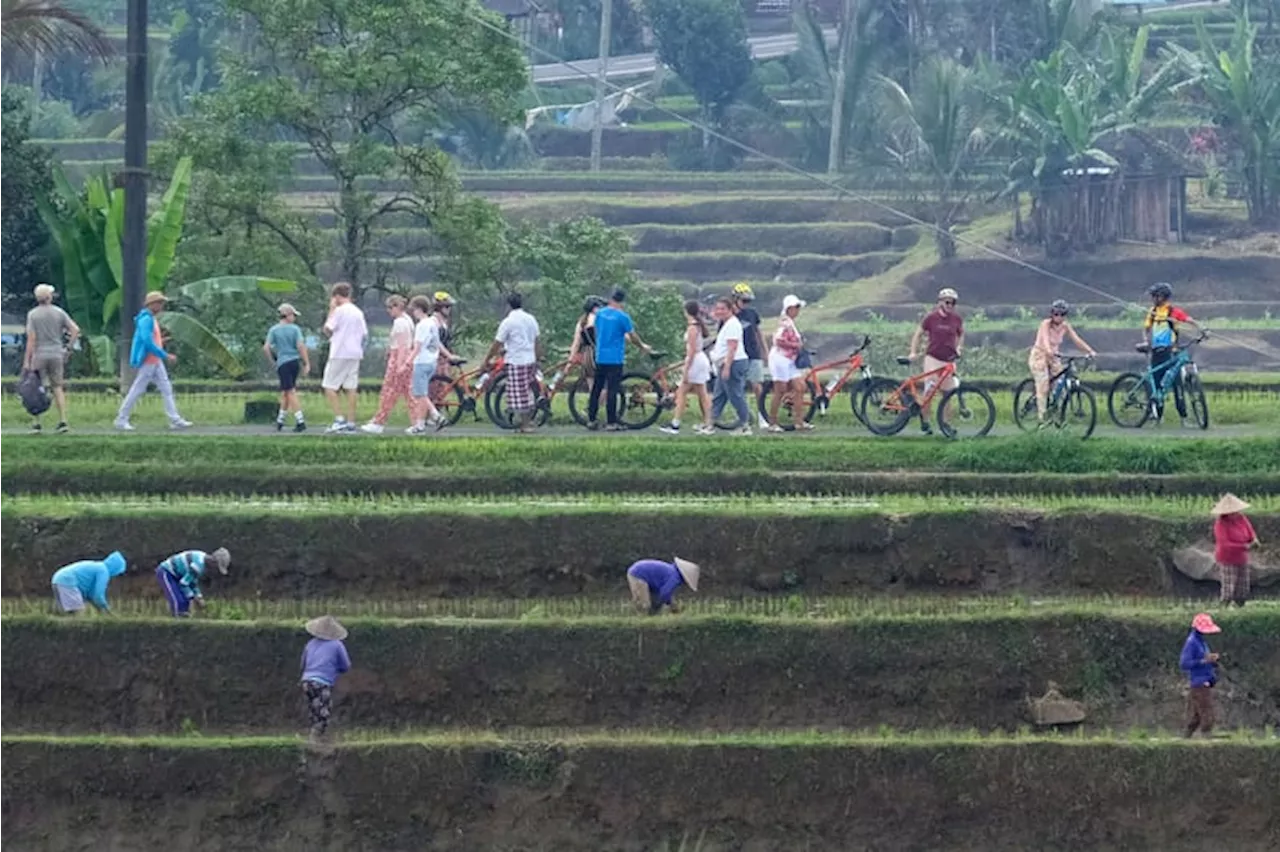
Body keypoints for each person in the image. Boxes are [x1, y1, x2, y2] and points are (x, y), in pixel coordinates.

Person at [115, 291, 192, 431]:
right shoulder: (146, 320)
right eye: (160, 303)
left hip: (154, 360)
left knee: (166, 389)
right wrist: (165, 355)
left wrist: (161, 342)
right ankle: (121, 418)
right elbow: (147, 341)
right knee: (137, 390)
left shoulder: (151, 319)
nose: (162, 306)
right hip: (149, 360)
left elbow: (151, 340)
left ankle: (174, 419)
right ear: (152, 304)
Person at [588, 289, 654, 431]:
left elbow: (596, 330)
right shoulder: (623, 317)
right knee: (612, 389)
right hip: (615, 358)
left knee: (596, 388)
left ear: (611, 298)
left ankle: (591, 419)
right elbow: (633, 335)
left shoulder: (600, 314)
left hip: (600, 356)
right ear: (622, 301)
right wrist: (642, 346)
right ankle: (611, 422)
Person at [1144, 283, 1205, 426]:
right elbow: (1146, 329)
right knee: (1158, 386)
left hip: (1170, 352)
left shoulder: (1173, 312)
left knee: (1177, 385)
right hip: (1156, 352)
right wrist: (1146, 341)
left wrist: (1201, 328)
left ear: (1162, 297)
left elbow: (1188, 319)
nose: (1153, 298)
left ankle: (1183, 418)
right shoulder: (1152, 312)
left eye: (1155, 295)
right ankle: (1158, 418)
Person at [1028, 299, 1096, 425]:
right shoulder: (1045, 324)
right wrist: (1049, 350)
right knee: (1043, 386)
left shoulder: (1065, 326)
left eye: (1062, 314)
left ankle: (1058, 414)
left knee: (1060, 385)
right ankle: (1042, 419)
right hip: (1040, 355)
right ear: (1052, 314)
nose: (1059, 317)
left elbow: (1076, 340)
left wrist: (1089, 350)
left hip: (1054, 357)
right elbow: (1045, 340)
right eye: (1056, 314)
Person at [23, 283, 80, 433]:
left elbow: (31, 339)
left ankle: (37, 423)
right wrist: (67, 348)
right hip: (56, 353)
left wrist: (27, 360)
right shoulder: (59, 312)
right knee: (57, 387)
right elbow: (75, 330)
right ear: (49, 297)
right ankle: (62, 421)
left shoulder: (33, 315)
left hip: (39, 354)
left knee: (36, 388)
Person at [908, 287, 965, 435]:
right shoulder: (931, 318)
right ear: (940, 302)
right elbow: (918, 334)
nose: (950, 306)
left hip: (948, 360)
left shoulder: (956, 319)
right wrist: (913, 351)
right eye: (947, 302)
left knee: (948, 394)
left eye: (953, 303)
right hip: (933, 358)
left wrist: (959, 347)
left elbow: (961, 334)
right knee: (930, 391)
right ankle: (925, 421)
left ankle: (946, 425)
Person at [483, 293, 542, 433]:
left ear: (508, 305)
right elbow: (537, 341)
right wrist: (538, 357)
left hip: (517, 361)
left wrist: (486, 359)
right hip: (530, 359)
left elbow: (497, 343)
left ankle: (526, 424)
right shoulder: (531, 319)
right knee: (526, 391)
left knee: (519, 394)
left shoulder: (508, 322)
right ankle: (526, 422)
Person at [362, 295, 415, 434]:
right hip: (405, 357)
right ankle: (417, 422)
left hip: (399, 357)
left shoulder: (400, 323)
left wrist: (399, 364)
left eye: (390, 307)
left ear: (397, 307)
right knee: (409, 392)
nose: (388, 311)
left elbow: (402, 345)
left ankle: (379, 421)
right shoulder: (408, 320)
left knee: (389, 391)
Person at [661, 300, 714, 435]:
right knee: (702, 393)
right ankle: (708, 423)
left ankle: (676, 423)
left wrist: (686, 370)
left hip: (695, 361)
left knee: (683, 392)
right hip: (700, 359)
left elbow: (690, 351)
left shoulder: (692, 328)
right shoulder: (697, 326)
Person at [321, 282, 368, 433]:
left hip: (339, 352)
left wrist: (331, 309)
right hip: (355, 353)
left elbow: (328, 329)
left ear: (336, 296)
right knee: (351, 387)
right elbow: (364, 334)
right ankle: (351, 422)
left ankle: (339, 418)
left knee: (329, 386)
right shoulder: (358, 312)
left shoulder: (339, 311)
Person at [407, 295, 454, 434]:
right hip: (432, 361)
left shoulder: (422, 325)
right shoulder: (433, 323)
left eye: (413, 310)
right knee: (424, 393)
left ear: (418, 309)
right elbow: (437, 343)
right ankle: (420, 424)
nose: (413, 313)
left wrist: (407, 361)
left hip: (421, 361)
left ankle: (436, 416)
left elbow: (418, 346)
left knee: (420, 394)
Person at [301, 615, 351, 742]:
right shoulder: (337, 645)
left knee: (314, 710)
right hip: (321, 683)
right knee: (324, 712)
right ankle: (316, 740)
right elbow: (346, 665)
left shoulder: (310, 643)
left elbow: (303, 663)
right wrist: (336, 671)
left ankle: (315, 737)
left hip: (306, 682)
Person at [766, 294, 812, 433]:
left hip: (789, 360)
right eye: (796, 307)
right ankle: (772, 422)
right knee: (780, 390)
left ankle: (799, 421)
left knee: (800, 387)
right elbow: (778, 340)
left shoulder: (790, 322)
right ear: (789, 308)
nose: (798, 310)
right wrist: (795, 345)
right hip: (780, 359)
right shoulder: (785, 322)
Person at [263, 303, 310, 432]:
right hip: (294, 362)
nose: (294, 318)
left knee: (289, 391)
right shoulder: (295, 329)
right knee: (286, 392)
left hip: (283, 363)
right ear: (287, 315)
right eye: (293, 315)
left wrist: (273, 361)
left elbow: (266, 347)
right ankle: (280, 420)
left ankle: (300, 421)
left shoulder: (274, 330)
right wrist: (306, 362)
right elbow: (300, 346)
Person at [709, 296, 751, 435]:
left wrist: (727, 367)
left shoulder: (733, 324)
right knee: (719, 395)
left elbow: (732, 348)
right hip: (724, 363)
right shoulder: (726, 324)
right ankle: (710, 424)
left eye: (723, 309)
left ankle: (745, 424)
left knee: (735, 395)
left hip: (733, 363)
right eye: (717, 309)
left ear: (730, 310)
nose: (719, 311)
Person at [731, 283, 769, 430]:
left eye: (748, 301)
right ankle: (742, 416)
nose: (746, 304)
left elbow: (759, 333)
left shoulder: (752, 314)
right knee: (738, 388)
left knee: (756, 385)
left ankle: (762, 415)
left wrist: (765, 351)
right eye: (743, 301)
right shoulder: (729, 315)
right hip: (737, 356)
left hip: (753, 353)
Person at [1180, 612, 1222, 738]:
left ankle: (1186, 738)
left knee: (1196, 716)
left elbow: (1204, 659)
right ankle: (1206, 739)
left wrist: (1212, 660)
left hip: (1204, 681)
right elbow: (1184, 664)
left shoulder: (1201, 642)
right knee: (1206, 713)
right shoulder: (1192, 642)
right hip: (1199, 683)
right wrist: (1204, 661)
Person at [156, 548, 231, 618]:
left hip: (178, 576)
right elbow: (183, 584)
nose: (216, 570)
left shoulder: (203, 565)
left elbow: (192, 582)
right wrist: (194, 598)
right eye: (217, 567)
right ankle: (176, 626)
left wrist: (199, 597)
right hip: (166, 572)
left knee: (185, 602)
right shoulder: (199, 565)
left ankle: (183, 624)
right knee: (178, 601)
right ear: (214, 562)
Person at [1213, 493, 1259, 607]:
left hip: (1242, 557)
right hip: (1227, 558)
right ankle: (1224, 608)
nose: (1236, 513)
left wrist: (1254, 539)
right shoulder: (1220, 524)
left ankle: (1240, 607)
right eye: (1233, 512)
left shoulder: (1242, 518)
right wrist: (1245, 547)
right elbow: (1225, 544)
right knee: (1229, 588)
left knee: (1243, 587)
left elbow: (1250, 531)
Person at [51, 551, 126, 615]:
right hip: (67, 581)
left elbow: (91, 595)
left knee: (65, 615)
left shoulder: (97, 566)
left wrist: (102, 610)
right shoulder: (103, 570)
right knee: (78, 615)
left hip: (57, 579)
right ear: (115, 568)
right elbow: (98, 595)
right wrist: (106, 609)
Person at [626, 557, 700, 615]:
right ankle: (635, 619)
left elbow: (662, 593)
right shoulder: (675, 578)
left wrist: (669, 603)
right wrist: (672, 606)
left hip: (639, 572)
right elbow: (664, 594)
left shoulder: (672, 571)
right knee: (645, 605)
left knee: (652, 604)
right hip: (638, 575)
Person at [568, 295, 605, 380]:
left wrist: (570, 361)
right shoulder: (601, 319)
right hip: (602, 354)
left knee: (593, 387)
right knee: (604, 386)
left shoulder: (582, 322)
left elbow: (576, 343)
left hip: (588, 356)